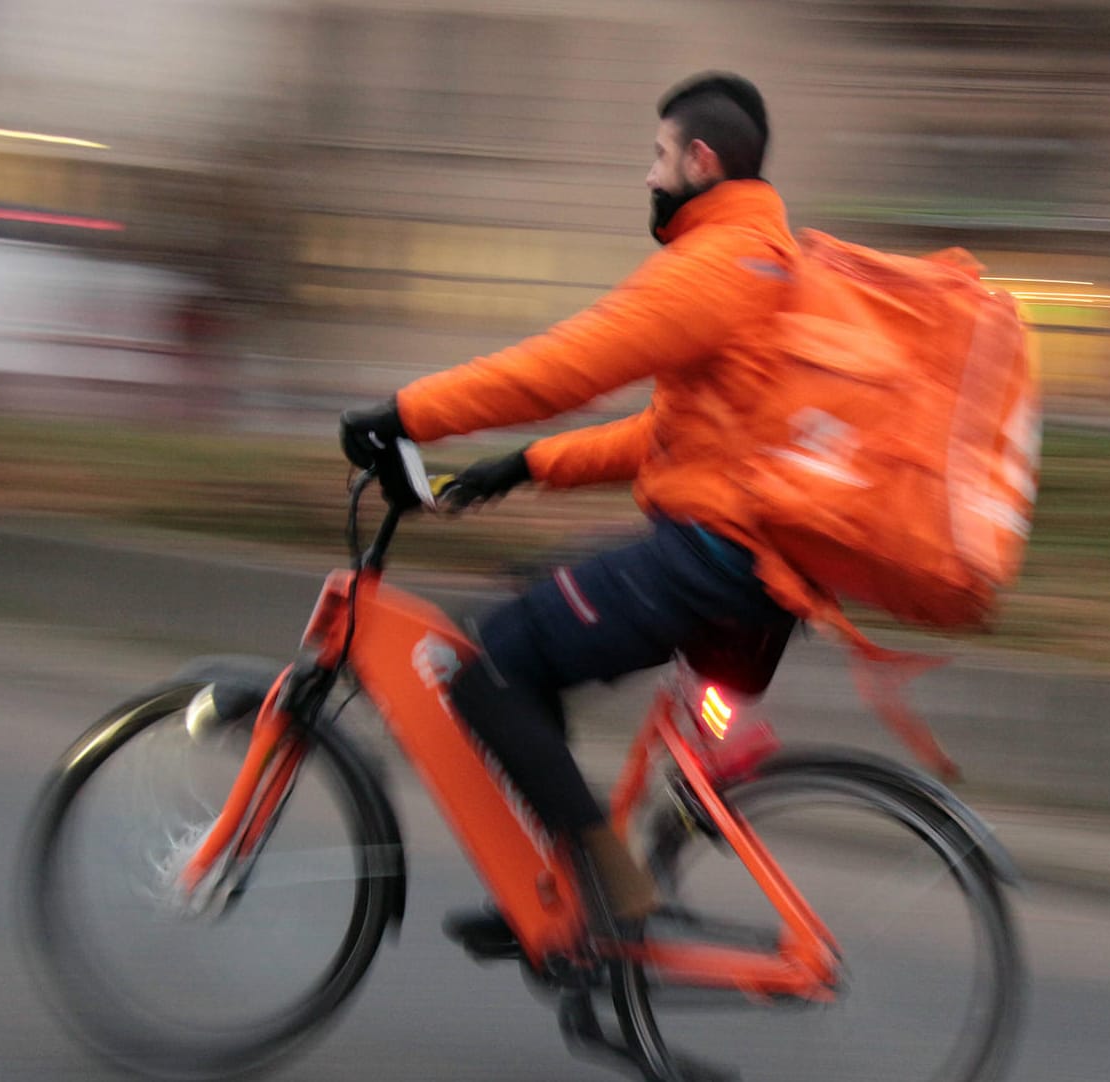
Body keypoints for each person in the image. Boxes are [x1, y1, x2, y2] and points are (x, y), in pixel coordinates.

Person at [341, 72, 801, 951]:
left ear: (701, 162)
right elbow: (671, 437)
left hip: (715, 555)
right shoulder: (762, 260)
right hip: (742, 554)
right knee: (526, 607)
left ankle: (603, 890)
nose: (648, 175)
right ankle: (569, 890)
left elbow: (564, 367)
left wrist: (404, 414)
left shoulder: (717, 267)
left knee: (489, 664)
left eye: (658, 155)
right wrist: (525, 465)